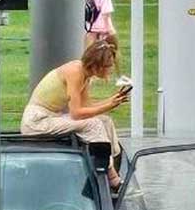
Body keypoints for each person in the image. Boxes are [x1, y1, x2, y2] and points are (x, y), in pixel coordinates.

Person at [21, 39, 129, 189]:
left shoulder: (85, 75)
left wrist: (111, 101)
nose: (110, 70)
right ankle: (112, 179)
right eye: (108, 66)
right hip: (37, 122)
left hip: (52, 117)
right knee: (93, 124)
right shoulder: (75, 72)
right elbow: (77, 113)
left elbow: (86, 107)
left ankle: (115, 167)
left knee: (105, 121)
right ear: (97, 65)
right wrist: (108, 105)